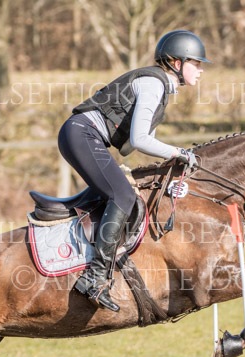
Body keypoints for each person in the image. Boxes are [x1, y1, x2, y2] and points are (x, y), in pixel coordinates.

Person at [57, 30, 209, 312]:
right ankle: (94, 278)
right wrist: (179, 152)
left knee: (122, 193)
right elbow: (139, 140)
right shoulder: (153, 84)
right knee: (123, 196)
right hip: (82, 134)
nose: (201, 70)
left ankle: (88, 259)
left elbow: (133, 145)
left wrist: (170, 158)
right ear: (177, 63)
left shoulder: (159, 87)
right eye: (196, 63)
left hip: (81, 135)